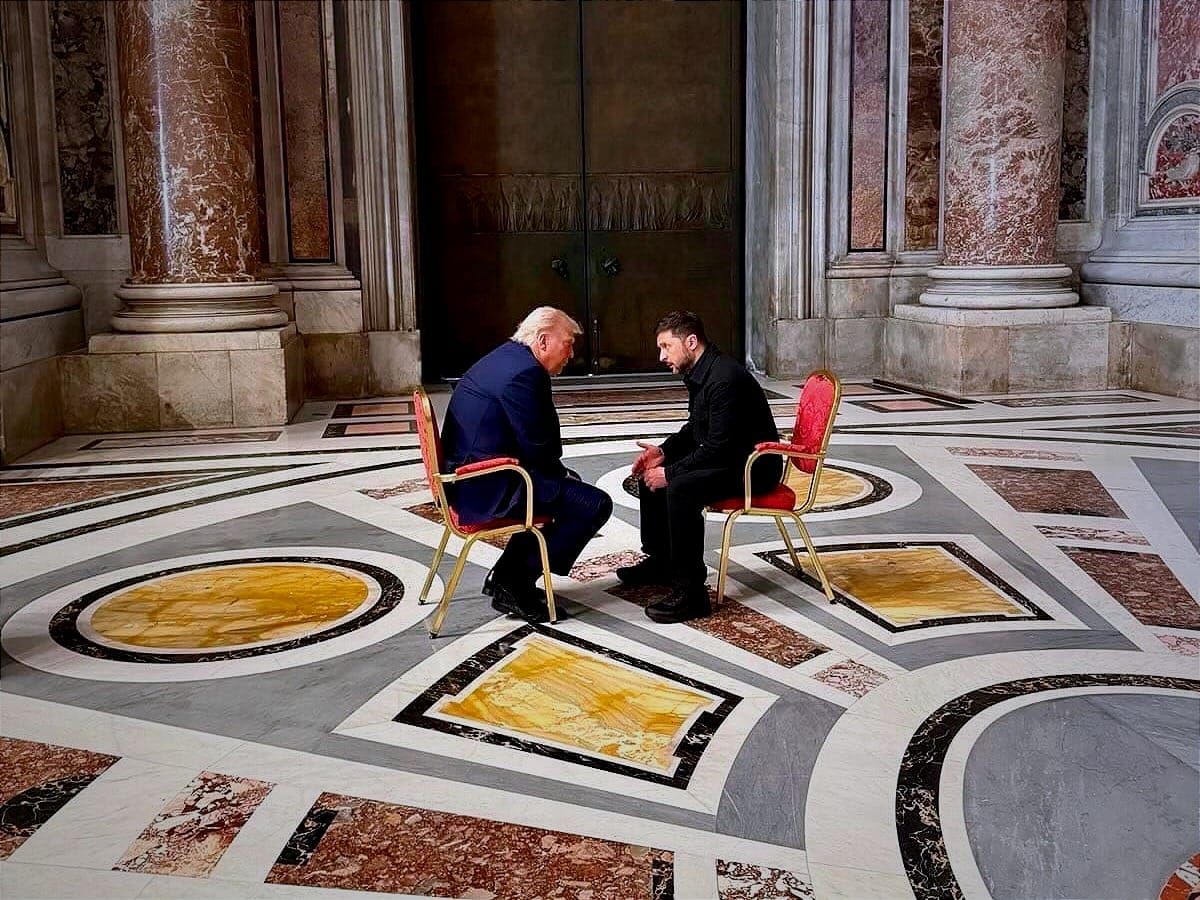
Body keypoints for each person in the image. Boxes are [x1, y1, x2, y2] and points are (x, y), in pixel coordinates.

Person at [441, 307, 613, 622]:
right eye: (568, 343)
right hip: (488, 484)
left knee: (564, 489)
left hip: (469, 476)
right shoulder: (525, 373)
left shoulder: (508, 357)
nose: (571, 353)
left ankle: (509, 574)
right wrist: (561, 475)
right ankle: (513, 581)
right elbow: (541, 447)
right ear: (544, 340)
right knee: (593, 504)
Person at [619, 311, 783, 623]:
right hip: (732, 458)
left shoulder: (724, 379)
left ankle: (691, 593)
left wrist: (670, 473)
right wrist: (663, 453)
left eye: (667, 347)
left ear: (691, 342)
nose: (661, 355)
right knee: (650, 477)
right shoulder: (703, 372)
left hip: (753, 468)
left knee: (680, 487)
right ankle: (662, 561)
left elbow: (720, 448)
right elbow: (696, 431)